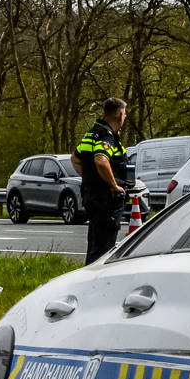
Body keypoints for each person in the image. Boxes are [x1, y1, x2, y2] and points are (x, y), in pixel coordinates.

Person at [73, 97, 130, 261]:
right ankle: (97, 277)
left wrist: (90, 177)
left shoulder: (91, 133)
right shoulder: (107, 135)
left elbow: (75, 159)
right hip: (107, 200)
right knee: (103, 250)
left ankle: (90, 274)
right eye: (125, 114)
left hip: (92, 197)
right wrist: (114, 185)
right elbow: (101, 160)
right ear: (120, 115)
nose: (125, 118)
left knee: (95, 245)